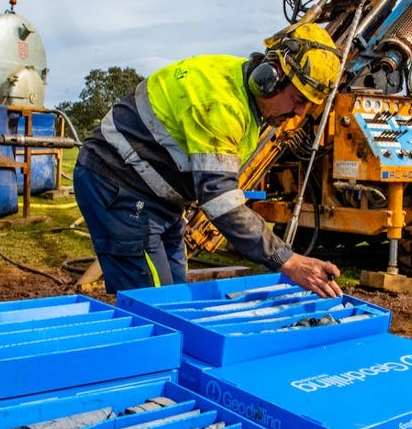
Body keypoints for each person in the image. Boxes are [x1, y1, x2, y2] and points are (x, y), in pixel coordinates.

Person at [74, 22, 345, 297]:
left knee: (175, 296)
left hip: (158, 199)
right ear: (270, 79)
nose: (298, 113)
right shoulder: (220, 105)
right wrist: (287, 259)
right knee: (154, 307)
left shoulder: (243, 95)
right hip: (118, 185)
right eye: (297, 99)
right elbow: (220, 200)